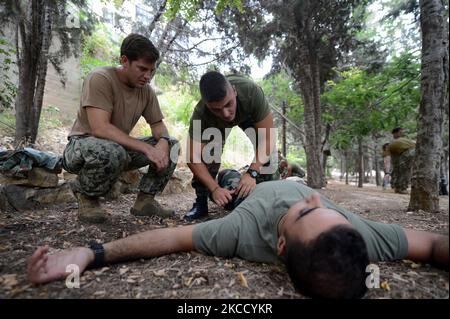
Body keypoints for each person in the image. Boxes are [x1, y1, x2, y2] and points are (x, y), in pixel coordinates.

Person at [27, 179, 448, 299]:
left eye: (305, 209)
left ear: (280, 247)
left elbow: (173, 237)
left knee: (229, 182)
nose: (314, 197)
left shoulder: (239, 233)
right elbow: (432, 245)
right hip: (266, 175)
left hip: (247, 194)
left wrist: (91, 253)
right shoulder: (360, 241)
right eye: (329, 209)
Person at [62, 34, 179, 223]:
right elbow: (100, 128)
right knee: (113, 151)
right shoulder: (100, 78)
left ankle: (145, 202)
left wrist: (164, 142)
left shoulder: (146, 90)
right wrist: (148, 149)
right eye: (142, 69)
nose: (147, 76)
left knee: (173, 145)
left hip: (117, 148)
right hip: (81, 146)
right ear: (124, 60)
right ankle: (87, 196)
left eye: (151, 70)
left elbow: (158, 126)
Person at [185, 71, 278, 221]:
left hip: (247, 114)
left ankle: (263, 189)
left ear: (234, 92)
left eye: (228, 104)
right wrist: (214, 189)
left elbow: (268, 138)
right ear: (207, 105)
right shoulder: (202, 113)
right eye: (217, 109)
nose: (226, 113)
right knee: (206, 154)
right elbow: (192, 157)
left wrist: (252, 173)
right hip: (214, 125)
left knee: (269, 158)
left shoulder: (250, 92)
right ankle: (201, 202)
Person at [388, 127, 415, 194]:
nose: (402, 133)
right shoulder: (396, 141)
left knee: (402, 171)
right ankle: (401, 188)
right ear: (395, 133)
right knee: (403, 171)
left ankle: (399, 187)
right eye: (400, 132)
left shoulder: (403, 140)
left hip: (401, 157)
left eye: (402, 132)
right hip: (403, 157)